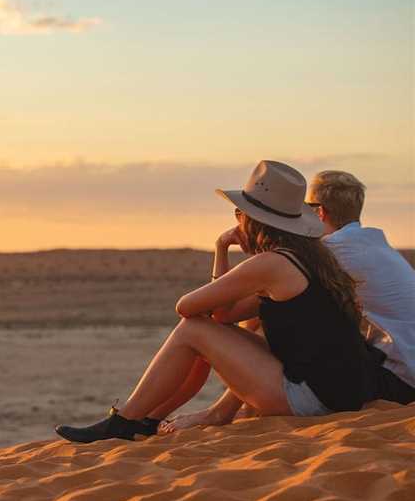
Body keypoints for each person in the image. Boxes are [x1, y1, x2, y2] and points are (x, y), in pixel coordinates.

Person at [55, 160, 415, 444]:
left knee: (192, 329)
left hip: (312, 399)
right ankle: (142, 420)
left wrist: (221, 248)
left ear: (253, 219)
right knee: (202, 331)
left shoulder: (271, 264)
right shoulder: (308, 259)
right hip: (338, 392)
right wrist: (224, 252)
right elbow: (225, 315)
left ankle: (126, 420)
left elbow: (188, 307)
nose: (237, 220)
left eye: (238, 213)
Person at [161, 170, 415, 433]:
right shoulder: (371, 244)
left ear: (318, 212)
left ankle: (220, 411)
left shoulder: (332, 253)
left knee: (277, 316)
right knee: (279, 314)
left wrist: (229, 249)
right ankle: (235, 406)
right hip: (398, 366)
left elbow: (231, 314)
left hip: (400, 379)